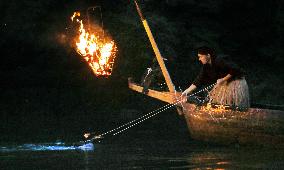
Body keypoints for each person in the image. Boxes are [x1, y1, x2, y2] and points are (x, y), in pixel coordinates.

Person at [181, 46, 250, 110]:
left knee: (233, 105)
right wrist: (187, 91)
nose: (199, 59)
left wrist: (223, 79)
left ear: (208, 55)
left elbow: (235, 70)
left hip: (235, 83)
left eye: (201, 56)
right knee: (217, 104)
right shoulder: (206, 66)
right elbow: (199, 80)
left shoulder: (219, 60)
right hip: (224, 84)